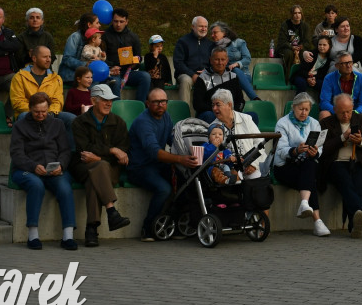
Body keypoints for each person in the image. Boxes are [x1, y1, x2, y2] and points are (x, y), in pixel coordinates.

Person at [127, 88, 199, 241]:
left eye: (163, 101)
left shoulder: (166, 116)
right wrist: (180, 159)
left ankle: (175, 222)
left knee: (186, 181)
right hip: (139, 167)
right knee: (164, 189)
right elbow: (155, 152)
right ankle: (147, 228)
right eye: (156, 102)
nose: (160, 105)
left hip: (158, 164)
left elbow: (172, 141)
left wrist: (190, 151)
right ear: (147, 103)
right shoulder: (143, 122)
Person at [10, 92, 77, 250]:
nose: (40, 115)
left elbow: (65, 150)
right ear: (30, 109)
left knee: (65, 187)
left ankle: (68, 236)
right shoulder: (20, 126)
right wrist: (33, 166)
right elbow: (17, 154)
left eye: (44, 111)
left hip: (53, 170)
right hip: (26, 169)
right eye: (36, 112)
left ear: (48, 109)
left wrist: (61, 165)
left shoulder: (57, 124)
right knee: (36, 185)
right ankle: (33, 234)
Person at [69, 83, 131, 247]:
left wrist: (99, 157)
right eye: (104, 100)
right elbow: (84, 150)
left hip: (110, 168)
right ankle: (111, 211)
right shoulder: (79, 122)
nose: (109, 103)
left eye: (110, 100)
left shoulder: (118, 122)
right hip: (82, 167)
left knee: (95, 176)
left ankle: (91, 229)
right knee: (99, 167)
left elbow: (123, 150)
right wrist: (111, 150)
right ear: (93, 101)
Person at [319, 94, 362, 238]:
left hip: (357, 162)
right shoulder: (326, 123)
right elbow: (322, 149)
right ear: (334, 110)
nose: (346, 115)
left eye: (348, 112)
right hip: (335, 163)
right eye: (342, 112)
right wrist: (342, 138)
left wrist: (361, 141)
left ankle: (354, 227)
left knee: (358, 185)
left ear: (353, 108)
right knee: (345, 182)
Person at [273, 92, 330, 236]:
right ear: (293, 107)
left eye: (307, 109)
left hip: (305, 164)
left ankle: (305, 204)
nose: (303, 112)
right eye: (300, 109)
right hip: (285, 166)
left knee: (310, 164)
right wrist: (296, 150)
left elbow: (320, 148)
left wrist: (315, 152)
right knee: (310, 180)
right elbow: (280, 150)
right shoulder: (282, 123)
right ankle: (317, 221)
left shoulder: (314, 123)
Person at [208, 90, 265, 179]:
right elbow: (212, 153)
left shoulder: (246, 119)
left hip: (248, 163)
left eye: (218, 105)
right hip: (227, 168)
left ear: (229, 105)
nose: (214, 108)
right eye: (213, 105)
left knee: (256, 177)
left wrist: (253, 165)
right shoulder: (213, 127)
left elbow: (260, 142)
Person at [8, 46, 67, 130]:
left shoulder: (56, 78)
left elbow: (58, 101)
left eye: (49, 57)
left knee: (70, 119)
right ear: (34, 59)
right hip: (28, 113)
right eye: (45, 57)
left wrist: (47, 113)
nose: (48, 60)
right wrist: (37, 111)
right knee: (23, 116)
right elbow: (17, 102)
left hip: (50, 113)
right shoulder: (19, 77)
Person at [103, 8, 152, 102]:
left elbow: (138, 57)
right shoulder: (105, 36)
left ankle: (139, 106)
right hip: (112, 72)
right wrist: (111, 67)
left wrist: (135, 63)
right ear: (112, 21)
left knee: (145, 76)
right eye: (116, 21)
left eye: (121, 21)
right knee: (115, 82)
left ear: (126, 22)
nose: (118, 24)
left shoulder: (133, 37)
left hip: (128, 72)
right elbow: (101, 58)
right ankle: (117, 109)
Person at [193, 47, 247, 123]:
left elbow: (240, 101)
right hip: (211, 113)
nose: (220, 63)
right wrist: (219, 110)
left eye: (223, 59)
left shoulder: (233, 77)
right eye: (217, 59)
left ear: (227, 61)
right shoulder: (202, 78)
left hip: (230, 113)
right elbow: (198, 104)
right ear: (211, 60)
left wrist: (232, 112)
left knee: (252, 116)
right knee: (209, 116)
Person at [210, 21, 257, 101]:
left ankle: (255, 98)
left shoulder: (239, 42)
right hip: (225, 76)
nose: (212, 35)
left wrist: (237, 64)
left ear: (224, 33)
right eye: (211, 33)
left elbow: (247, 58)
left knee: (236, 71)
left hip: (243, 75)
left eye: (215, 32)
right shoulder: (213, 48)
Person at [173, 16, 212, 104]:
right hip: (186, 75)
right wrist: (192, 74)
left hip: (205, 74)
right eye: (201, 26)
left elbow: (213, 63)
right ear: (193, 27)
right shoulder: (183, 42)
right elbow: (178, 62)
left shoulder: (210, 44)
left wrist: (207, 71)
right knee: (186, 81)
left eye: (205, 27)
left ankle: (209, 110)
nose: (203, 29)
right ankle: (184, 110)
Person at [319, 51, 362, 116]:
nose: (348, 65)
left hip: (355, 113)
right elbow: (324, 102)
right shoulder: (329, 78)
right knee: (324, 114)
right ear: (337, 66)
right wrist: (338, 111)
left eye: (350, 62)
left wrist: (355, 112)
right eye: (344, 63)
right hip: (336, 112)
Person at [276, 5, 308, 82]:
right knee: (289, 53)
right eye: (295, 13)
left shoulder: (305, 26)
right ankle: (287, 78)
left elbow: (307, 41)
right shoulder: (285, 25)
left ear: (302, 14)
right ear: (291, 14)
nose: (297, 15)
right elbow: (282, 41)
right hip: (286, 48)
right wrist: (291, 47)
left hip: (299, 48)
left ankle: (302, 78)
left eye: (299, 13)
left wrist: (301, 47)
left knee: (304, 53)